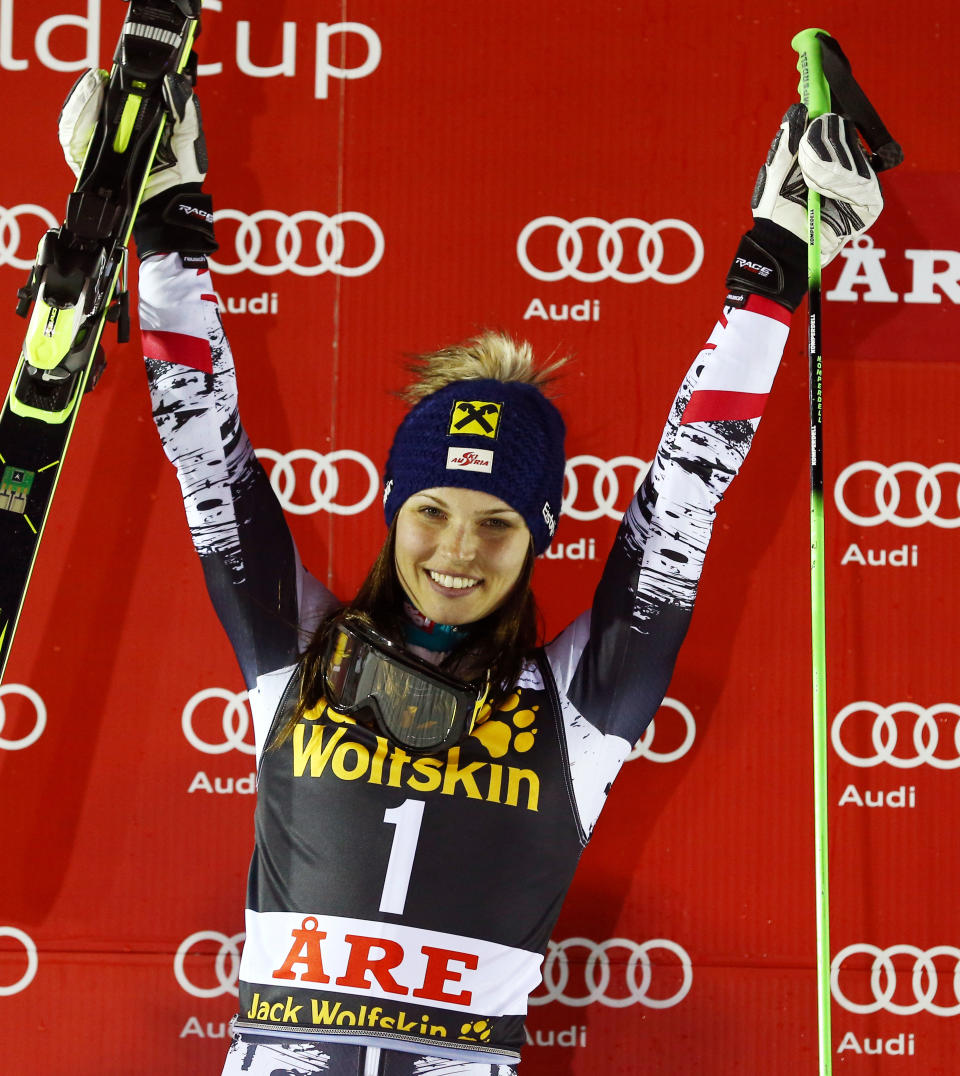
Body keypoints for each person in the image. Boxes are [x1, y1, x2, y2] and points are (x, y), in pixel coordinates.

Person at [59, 72, 882, 1075]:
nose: (457, 548)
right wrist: (165, 224)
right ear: (395, 512)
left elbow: (684, 497)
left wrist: (776, 262)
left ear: (539, 535)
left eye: (497, 522)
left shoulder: (580, 708)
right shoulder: (299, 652)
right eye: (432, 511)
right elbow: (204, 450)